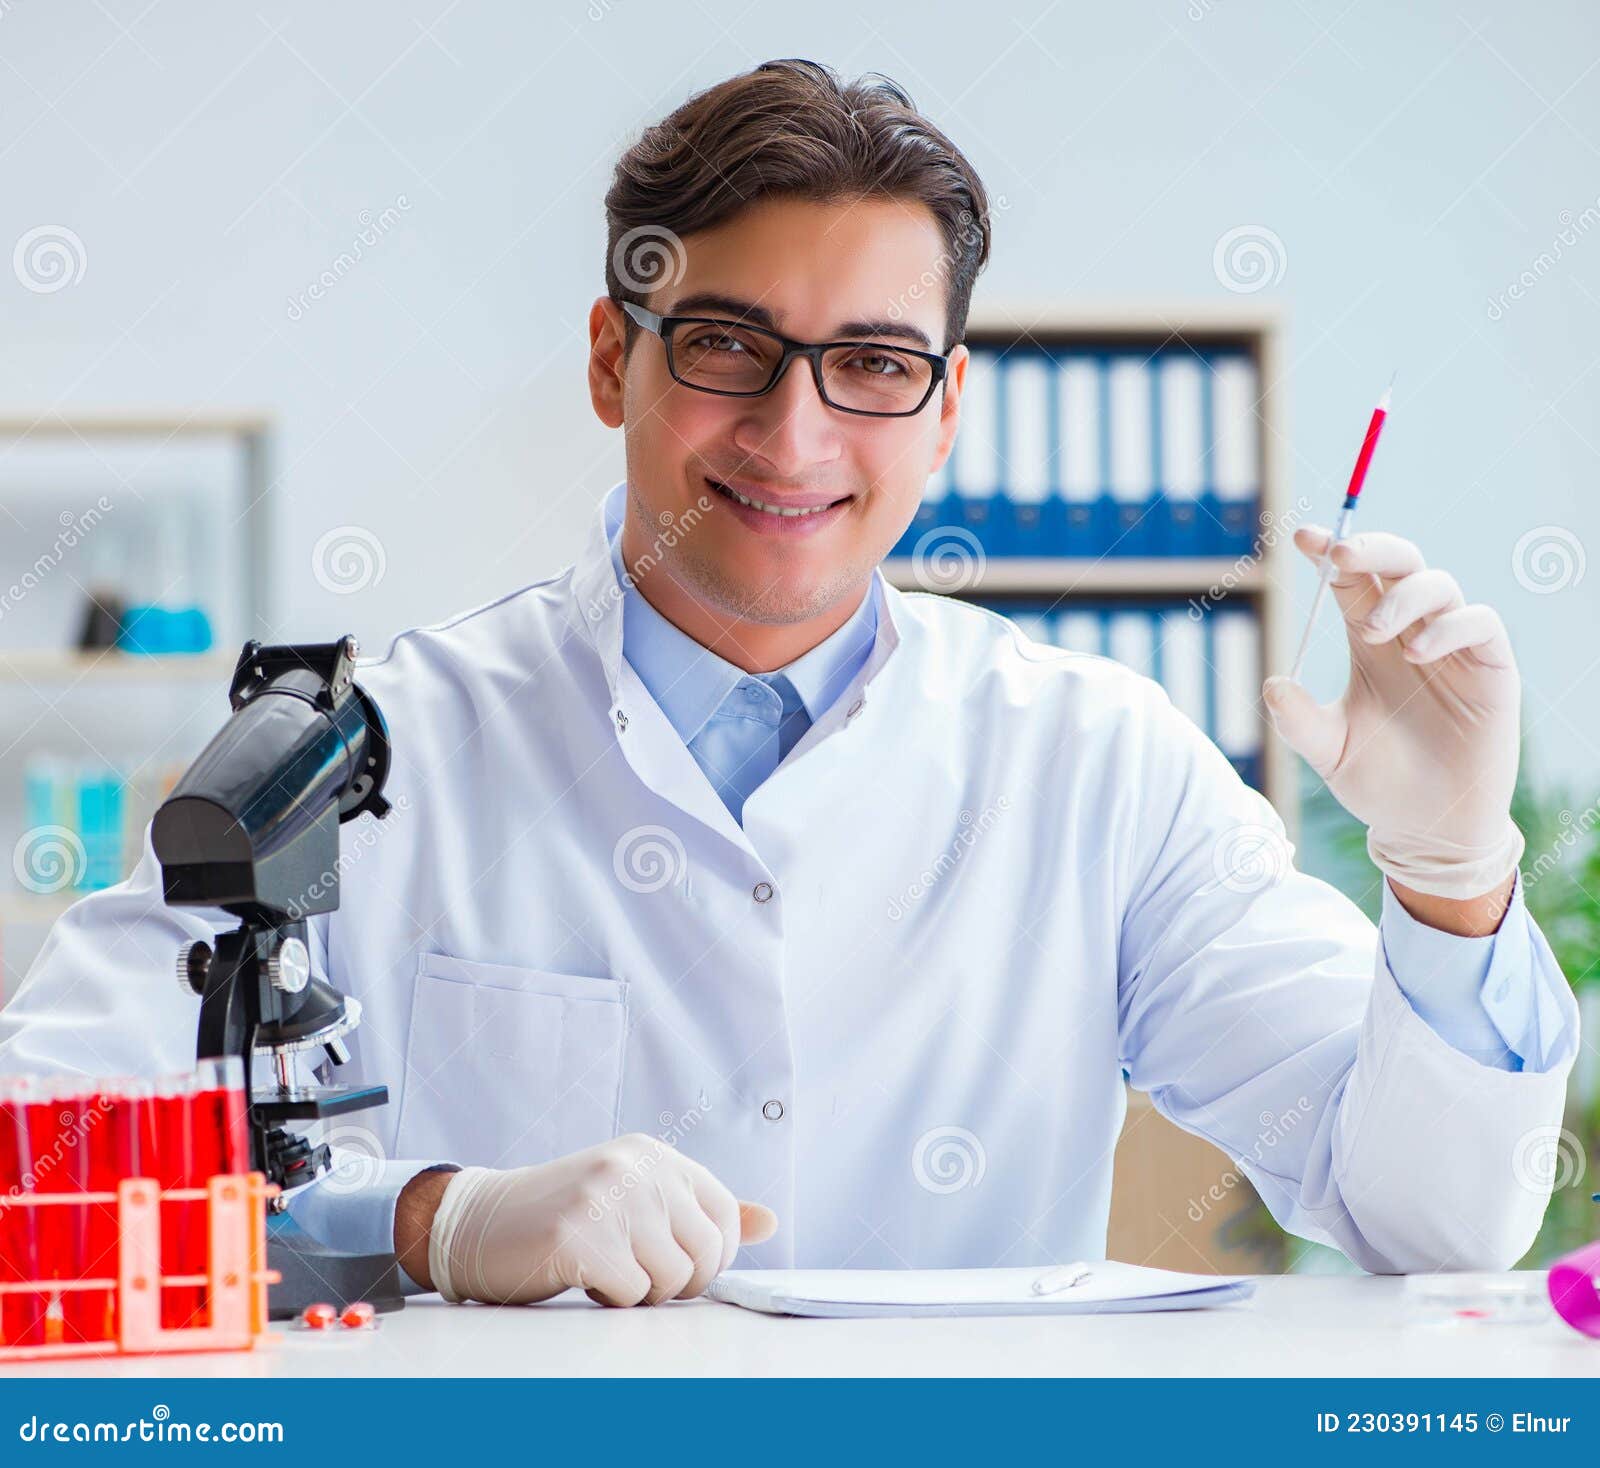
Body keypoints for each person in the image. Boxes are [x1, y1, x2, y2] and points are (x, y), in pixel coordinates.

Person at [0, 60, 1574, 1310]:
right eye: (729, 347)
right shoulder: (370, 745)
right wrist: (426, 1215)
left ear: (947, 408)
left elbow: (1424, 1223)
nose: (796, 436)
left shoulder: (1104, 765)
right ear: (615, 358)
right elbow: (39, 1168)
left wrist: (1450, 879)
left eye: (875, 366)